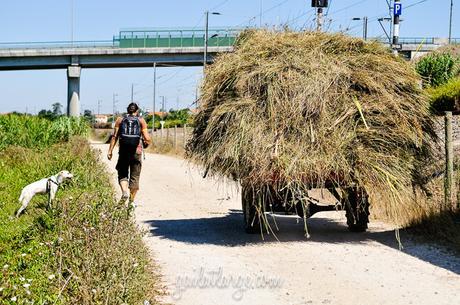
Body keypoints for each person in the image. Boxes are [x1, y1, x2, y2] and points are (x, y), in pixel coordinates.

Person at [107, 102, 151, 209]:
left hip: (123, 151)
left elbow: (114, 137)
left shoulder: (120, 120)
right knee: (135, 176)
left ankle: (124, 192)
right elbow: (147, 139)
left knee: (122, 173)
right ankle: (131, 201)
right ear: (137, 111)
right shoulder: (141, 121)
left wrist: (110, 151)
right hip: (137, 152)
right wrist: (145, 144)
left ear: (127, 110)